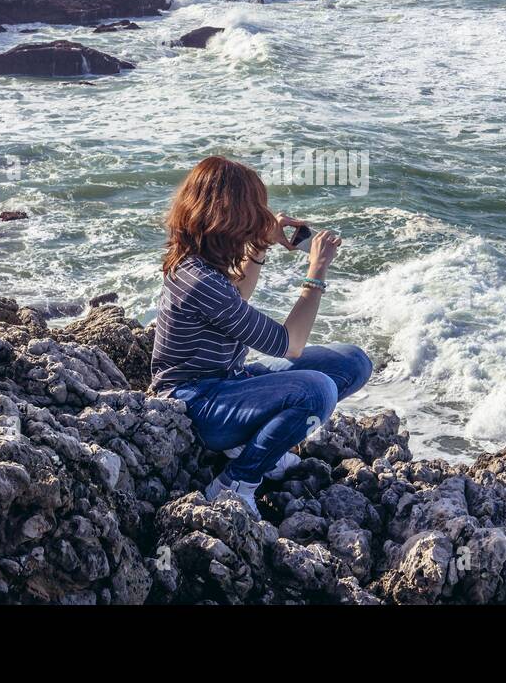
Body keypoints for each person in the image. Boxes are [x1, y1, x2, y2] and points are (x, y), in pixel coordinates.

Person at [150, 156, 372, 516]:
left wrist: (259, 247)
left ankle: (252, 444)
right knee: (318, 391)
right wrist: (316, 271)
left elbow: (238, 300)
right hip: (196, 403)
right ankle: (236, 482)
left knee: (352, 362)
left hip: (228, 382)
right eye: (254, 208)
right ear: (230, 215)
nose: (261, 215)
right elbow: (291, 343)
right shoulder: (200, 282)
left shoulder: (201, 265)